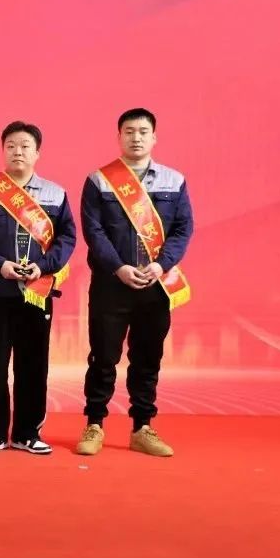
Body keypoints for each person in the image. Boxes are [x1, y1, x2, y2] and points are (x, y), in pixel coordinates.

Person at [76, 108, 193, 457]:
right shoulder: (99, 181)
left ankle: (142, 427)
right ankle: (94, 424)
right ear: (119, 137)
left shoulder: (174, 181)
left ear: (154, 137)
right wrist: (118, 267)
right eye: (129, 131)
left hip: (155, 286)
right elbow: (94, 231)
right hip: (111, 285)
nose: (136, 137)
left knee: (147, 357)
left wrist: (160, 266)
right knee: (103, 356)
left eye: (143, 131)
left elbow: (183, 229)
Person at [0, 121, 76, 455]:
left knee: (34, 365)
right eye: (11, 146)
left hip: (37, 292)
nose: (18, 152)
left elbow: (67, 237)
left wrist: (45, 266)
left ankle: (28, 433)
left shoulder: (55, 194)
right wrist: (0, 265)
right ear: (3, 150)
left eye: (25, 146)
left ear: (37, 152)